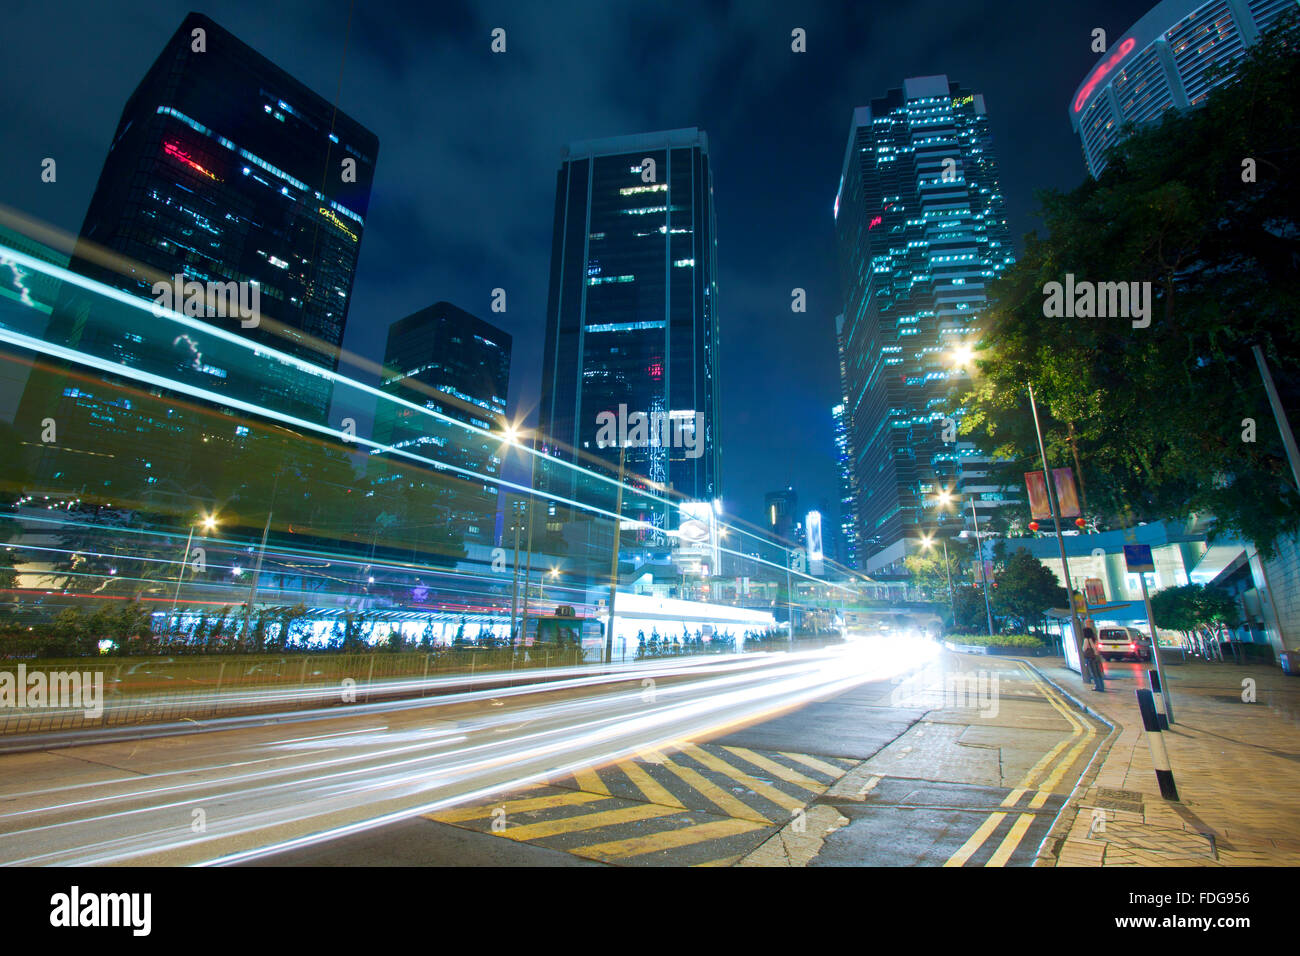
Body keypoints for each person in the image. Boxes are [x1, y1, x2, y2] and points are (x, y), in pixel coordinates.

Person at [1081, 626, 1105, 692]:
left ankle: (1098, 686)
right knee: (1098, 672)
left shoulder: (1086, 640)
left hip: (1091, 658)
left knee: (1094, 673)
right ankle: (1101, 686)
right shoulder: (1094, 639)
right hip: (1097, 657)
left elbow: (1084, 649)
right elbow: (1097, 648)